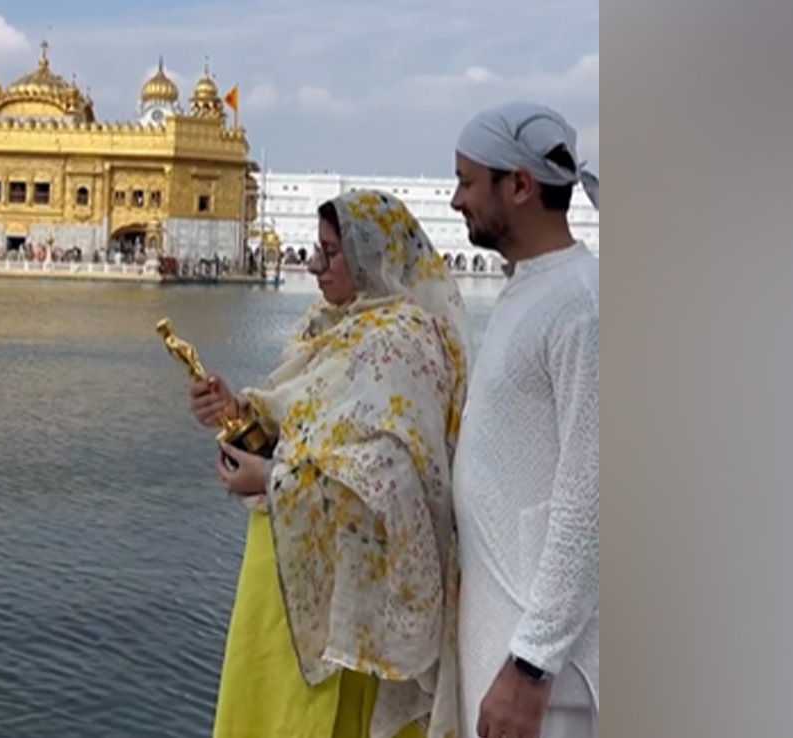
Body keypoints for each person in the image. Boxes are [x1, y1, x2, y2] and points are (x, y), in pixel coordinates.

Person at [187, 190, 470, 738]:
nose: (315, 266)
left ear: (370, 256)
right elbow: (304, 425)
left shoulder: (404, 343)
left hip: (355, 596)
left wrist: (271, 479)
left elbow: (395, 484)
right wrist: (236, 412)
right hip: (287, 573)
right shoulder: (329, 325)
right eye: (316, 250)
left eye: (330, 252)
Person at [447, 102, 600, 738]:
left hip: (546, 688)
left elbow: (592, 498)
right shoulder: (536, 288)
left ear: (519, 185)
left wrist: (531, 665)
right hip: (508, 662)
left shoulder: (583, 305)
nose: (456, 200)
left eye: (465, 180)